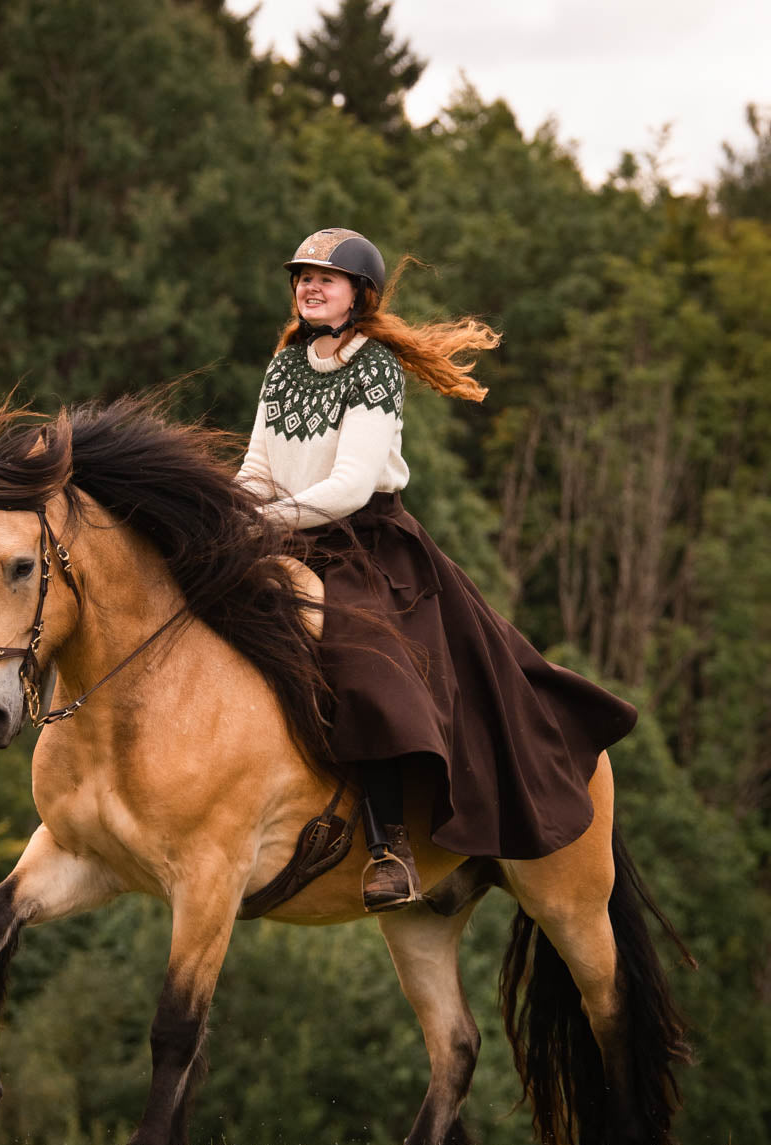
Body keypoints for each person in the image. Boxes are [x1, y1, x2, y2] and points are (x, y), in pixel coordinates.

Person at [236, 227, 637, 913]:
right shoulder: (284, 367)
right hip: (286, 540)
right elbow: (257, 470)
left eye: (324, 278)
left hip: (366, 545)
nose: (309, 287)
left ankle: (390, 845)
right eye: (302, 276)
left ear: (359, 293)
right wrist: (228, 513)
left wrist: (269, 520)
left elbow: (353, 484)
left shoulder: (373, 367)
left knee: (368, 666)